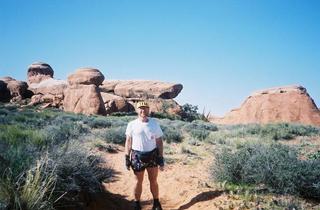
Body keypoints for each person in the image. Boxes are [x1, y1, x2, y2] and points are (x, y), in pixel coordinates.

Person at [125, 101, 165, 210]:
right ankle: (137, 204)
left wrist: (160, 157)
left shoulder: (154, 123)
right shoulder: (132, 124)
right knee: (138, 181)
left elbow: (159, 141)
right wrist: (126, 157)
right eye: (140, 108)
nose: (143, 111)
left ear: (148, 110)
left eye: (145, 108)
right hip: (137, 156)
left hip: (152, 155)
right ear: (137, 110)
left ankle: (156, 203)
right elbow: (128, 141)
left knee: (153, 180)